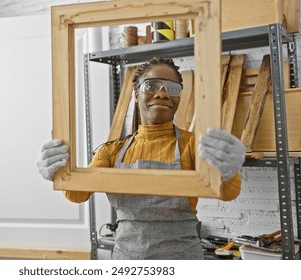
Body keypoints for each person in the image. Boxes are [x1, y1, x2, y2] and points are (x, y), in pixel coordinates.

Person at [37, 57, 246, 260]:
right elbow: (77, 194)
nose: (163, 94)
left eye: (172, 88)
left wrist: (229, 170)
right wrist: (58, 172)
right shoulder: (112, 151)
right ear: (136, 94)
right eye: (152, 85)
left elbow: (228, 192)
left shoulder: (193, 145)